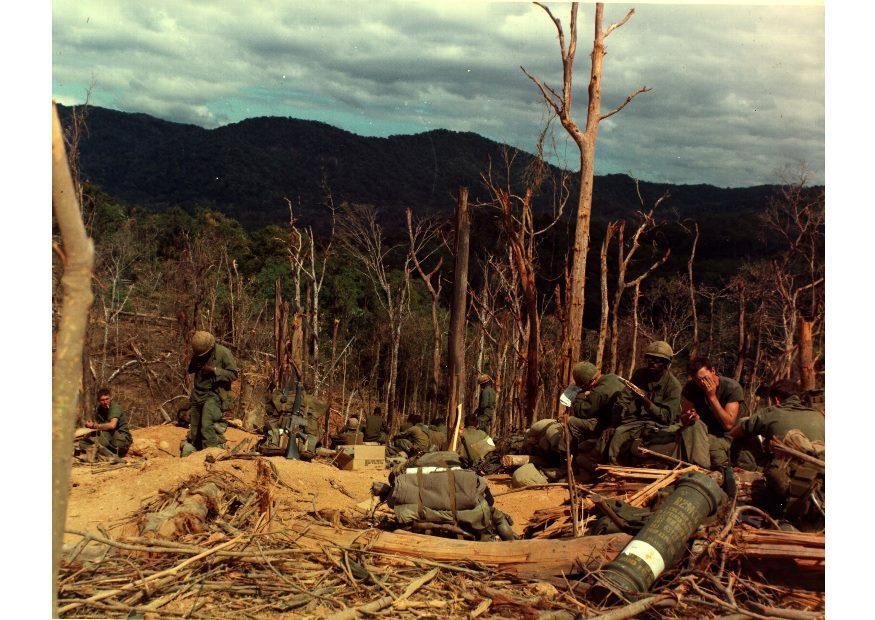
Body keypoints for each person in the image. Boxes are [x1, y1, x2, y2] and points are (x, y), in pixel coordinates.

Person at [729, 380, 824, 529]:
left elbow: (735, 433)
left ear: (777, 399)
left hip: (786, 483)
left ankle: (747, 486)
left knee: (744, 429)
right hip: (818, 482)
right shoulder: (819, 416)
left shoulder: (772, 412)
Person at [606, 341, 682, 464]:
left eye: (658, 360)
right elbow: (624, 397)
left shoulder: (673, 386)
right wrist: (614, 423)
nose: (652, 362)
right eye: (650, 358)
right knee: (618, 434)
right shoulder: (640, 374)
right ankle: (614, 471)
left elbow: (667, 418)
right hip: (637, 421)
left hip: (660, 425)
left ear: (666, 363)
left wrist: (646, 402)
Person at [678, 357, 746, 469]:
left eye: (704, 378)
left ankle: (701, 469)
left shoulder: (731, 387)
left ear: (713, 371)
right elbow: (684, 418)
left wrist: (712, 397)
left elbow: (728, 425)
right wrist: (691, 417)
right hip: (702, 433)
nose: (702, 383)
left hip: (726, 437)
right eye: (697, 380)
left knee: (714, 452)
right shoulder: (692, 387)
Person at [181, 330, 238, 456]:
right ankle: (195, 456)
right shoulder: (199, 352)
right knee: (195, 430)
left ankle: (213, 454)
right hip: (198, 393)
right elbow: (190, 369)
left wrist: (214, 370)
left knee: (206, 425)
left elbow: (233, 374)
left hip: (214, 394)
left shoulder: (223, 353)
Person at [560, 361, 628, 445]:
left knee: (570, 421)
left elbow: (581, 412)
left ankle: (566, 452)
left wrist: (580, 395)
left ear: (591, 382)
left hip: (612, 424)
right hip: (626, 421)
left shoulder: (599, 392)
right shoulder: (612, 376)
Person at [85, 387, 133, 458]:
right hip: (110, 439)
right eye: (102, 400)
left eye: (107, 399)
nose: (105, 402)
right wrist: (88, 426)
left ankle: (96, 454)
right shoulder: (99, 410)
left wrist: (93, 425)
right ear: (98, 400)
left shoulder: (115, 407)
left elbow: (112, 425)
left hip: (122, 440)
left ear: (110, 398)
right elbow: (100, 425)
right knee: (85, 439)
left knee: (107, 432)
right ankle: (93, 451)